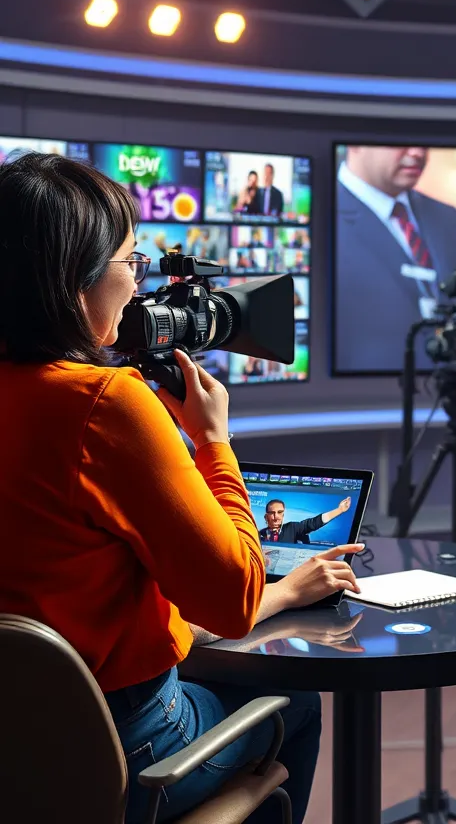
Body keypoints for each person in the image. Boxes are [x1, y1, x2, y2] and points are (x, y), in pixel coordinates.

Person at [0, 153, 338, 823]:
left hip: (13, 745)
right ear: (77, 282)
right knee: (296, 705)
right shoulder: (106, 403)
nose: (137, 287)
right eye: (131, 263)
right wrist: (213, 439)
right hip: (117, 748)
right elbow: (234, 600)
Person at [335, 145, 456, 372]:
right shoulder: (320, 214)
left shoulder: (447, 216)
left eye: (425, 144)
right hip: (364, 398)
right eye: (400, 140)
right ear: (356, 144)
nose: (418, 153)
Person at [260, 495, 353, 544]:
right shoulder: (258, 535)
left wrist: (339, 510)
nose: (276, 517)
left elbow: (314, 523)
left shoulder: (293, 528)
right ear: (266, 516)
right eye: (272, 513)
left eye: (280, 512)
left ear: (283, 515)